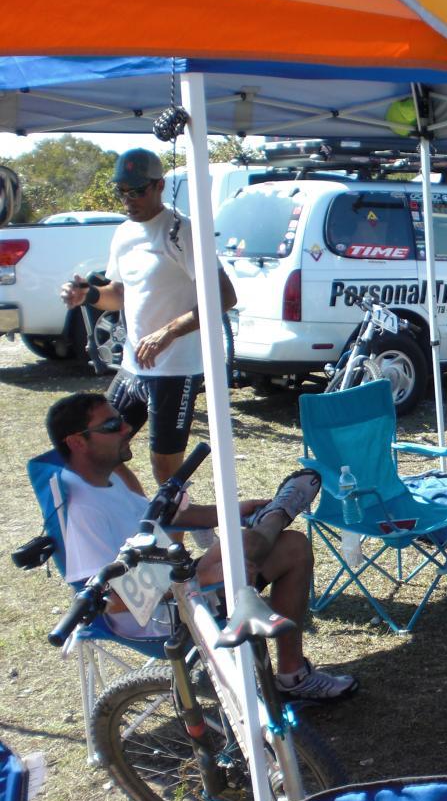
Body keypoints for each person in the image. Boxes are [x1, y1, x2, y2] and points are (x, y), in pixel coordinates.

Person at [45, 392, 358, 702]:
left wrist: (235, 509)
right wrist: (197, 583)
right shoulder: (81, 508)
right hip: (161, 615)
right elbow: (109, 601)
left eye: (122, 420)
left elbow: (164, 517)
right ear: (77, 442)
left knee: (292, 545)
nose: (127, 428)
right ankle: (275, 517)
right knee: (254, 543)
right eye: (112, 424)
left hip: (177, 583)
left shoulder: (105, 481)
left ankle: (293, 677)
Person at [60, 148, 237, 486]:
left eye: (138, 190)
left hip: (175, 368)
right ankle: (147, 517)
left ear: (159, 185)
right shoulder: (124, 232)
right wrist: (90, 295)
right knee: (98, 450)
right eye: (122, 191)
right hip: (134, 364)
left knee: (165, 468)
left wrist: (168, 332)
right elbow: (120, 293)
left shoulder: (181, 231)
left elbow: (225, 296)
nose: (129, 199)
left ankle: (180, 532)